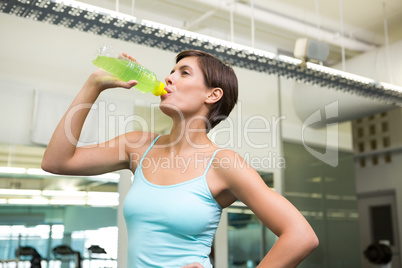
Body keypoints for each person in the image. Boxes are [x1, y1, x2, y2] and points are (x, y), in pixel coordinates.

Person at [42, 49, 318, 267]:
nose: (168, 79)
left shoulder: (223, 163)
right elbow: (56, 161)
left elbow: (301, 236)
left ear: (213, 94)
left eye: (184, 73)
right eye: (171, 72)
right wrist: (93, 85)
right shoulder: (138, 145)